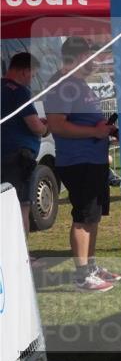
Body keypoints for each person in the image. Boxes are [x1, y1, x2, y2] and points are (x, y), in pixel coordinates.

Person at [44, 37, 121, 292]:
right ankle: (82, 275)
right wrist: (94, 133)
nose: (95, 63)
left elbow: (85, 121)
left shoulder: (78, 84)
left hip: (94, 160)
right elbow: (56, 125)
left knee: (93, 217)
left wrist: (105, 130)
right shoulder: (61, 85)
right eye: (90, 57)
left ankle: (91, 267)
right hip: (78, 162)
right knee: (83, 218)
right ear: (77, 58)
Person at [1, 53, 50, 240]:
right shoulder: (19, 91)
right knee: (21, 206)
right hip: (16, 159)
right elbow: (36, 127)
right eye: (32, 74)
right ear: (24, 71)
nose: (31, 79)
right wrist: (47, 128)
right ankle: (22, 258)